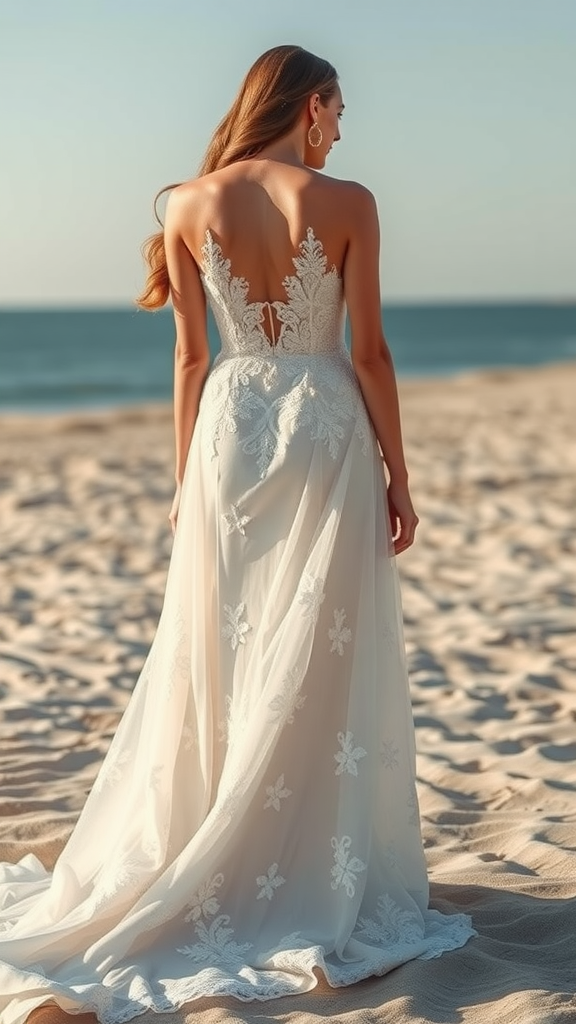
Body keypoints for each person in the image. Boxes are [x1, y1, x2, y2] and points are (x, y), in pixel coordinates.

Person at [0, 43, 476, 1024]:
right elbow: (371, 351)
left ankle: (227, 832)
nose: (342, 128)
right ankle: (300, 855)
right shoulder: (347, 203)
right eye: (337, 109)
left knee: (226, 640)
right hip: (324, 427)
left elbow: (188, 358)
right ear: (305, 107)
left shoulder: (182, 202)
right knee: (315, 645)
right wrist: (401, 473)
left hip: (231, 430)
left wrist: (188, 484)